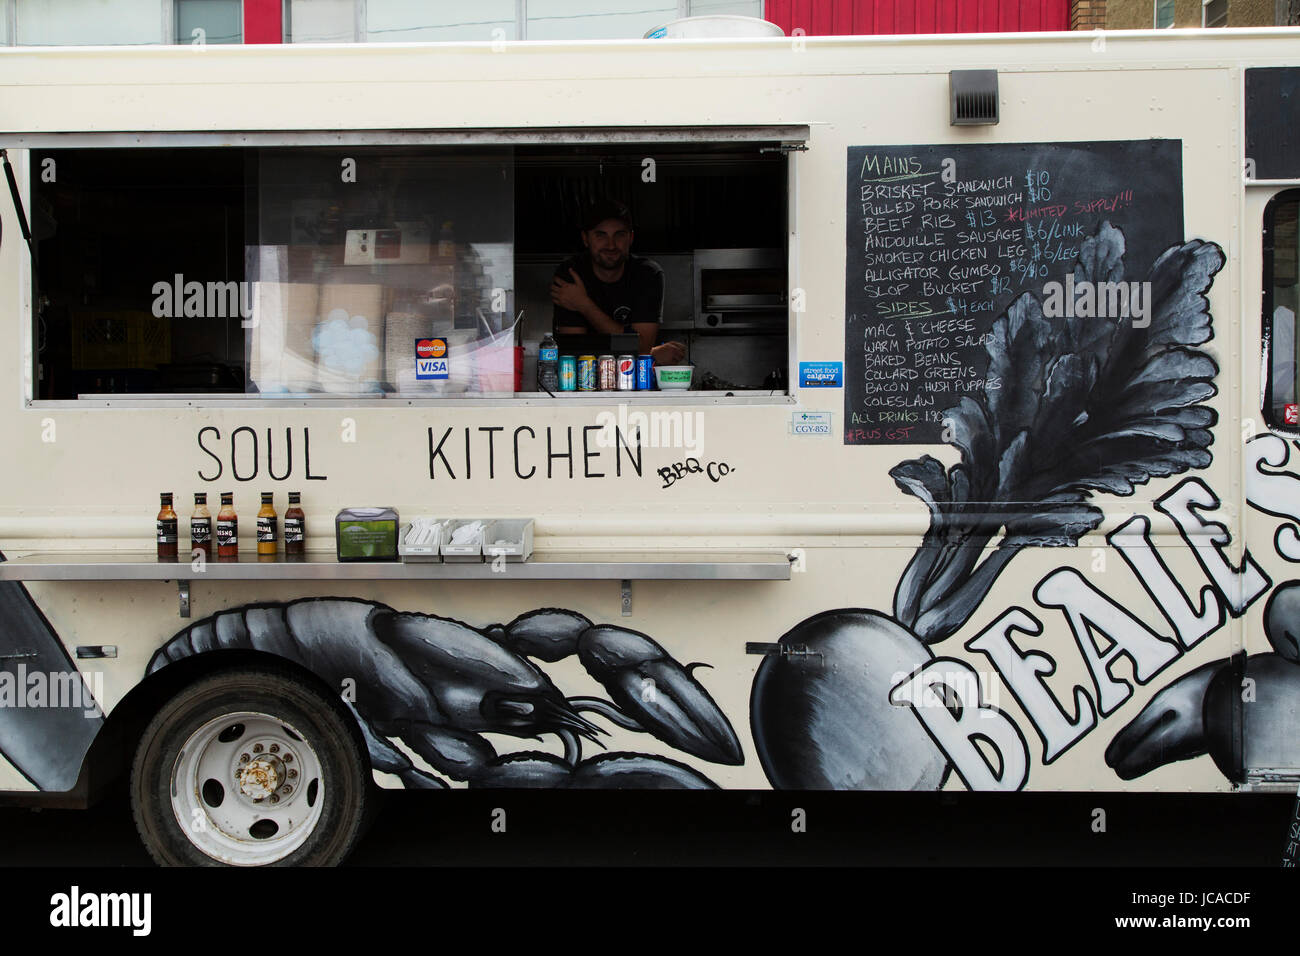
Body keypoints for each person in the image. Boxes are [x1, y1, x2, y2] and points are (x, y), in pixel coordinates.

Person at [550, 199, 687, 365]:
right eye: (601, 235)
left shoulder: (647, 273)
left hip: (634, 383)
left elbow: (642, 347)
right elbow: (574, 354)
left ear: (631, 238)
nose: (611, 245)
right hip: (584, 383)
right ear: (585, 239)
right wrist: (651, 354)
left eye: (619, 235)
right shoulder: (571, 273)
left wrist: (584, 305)